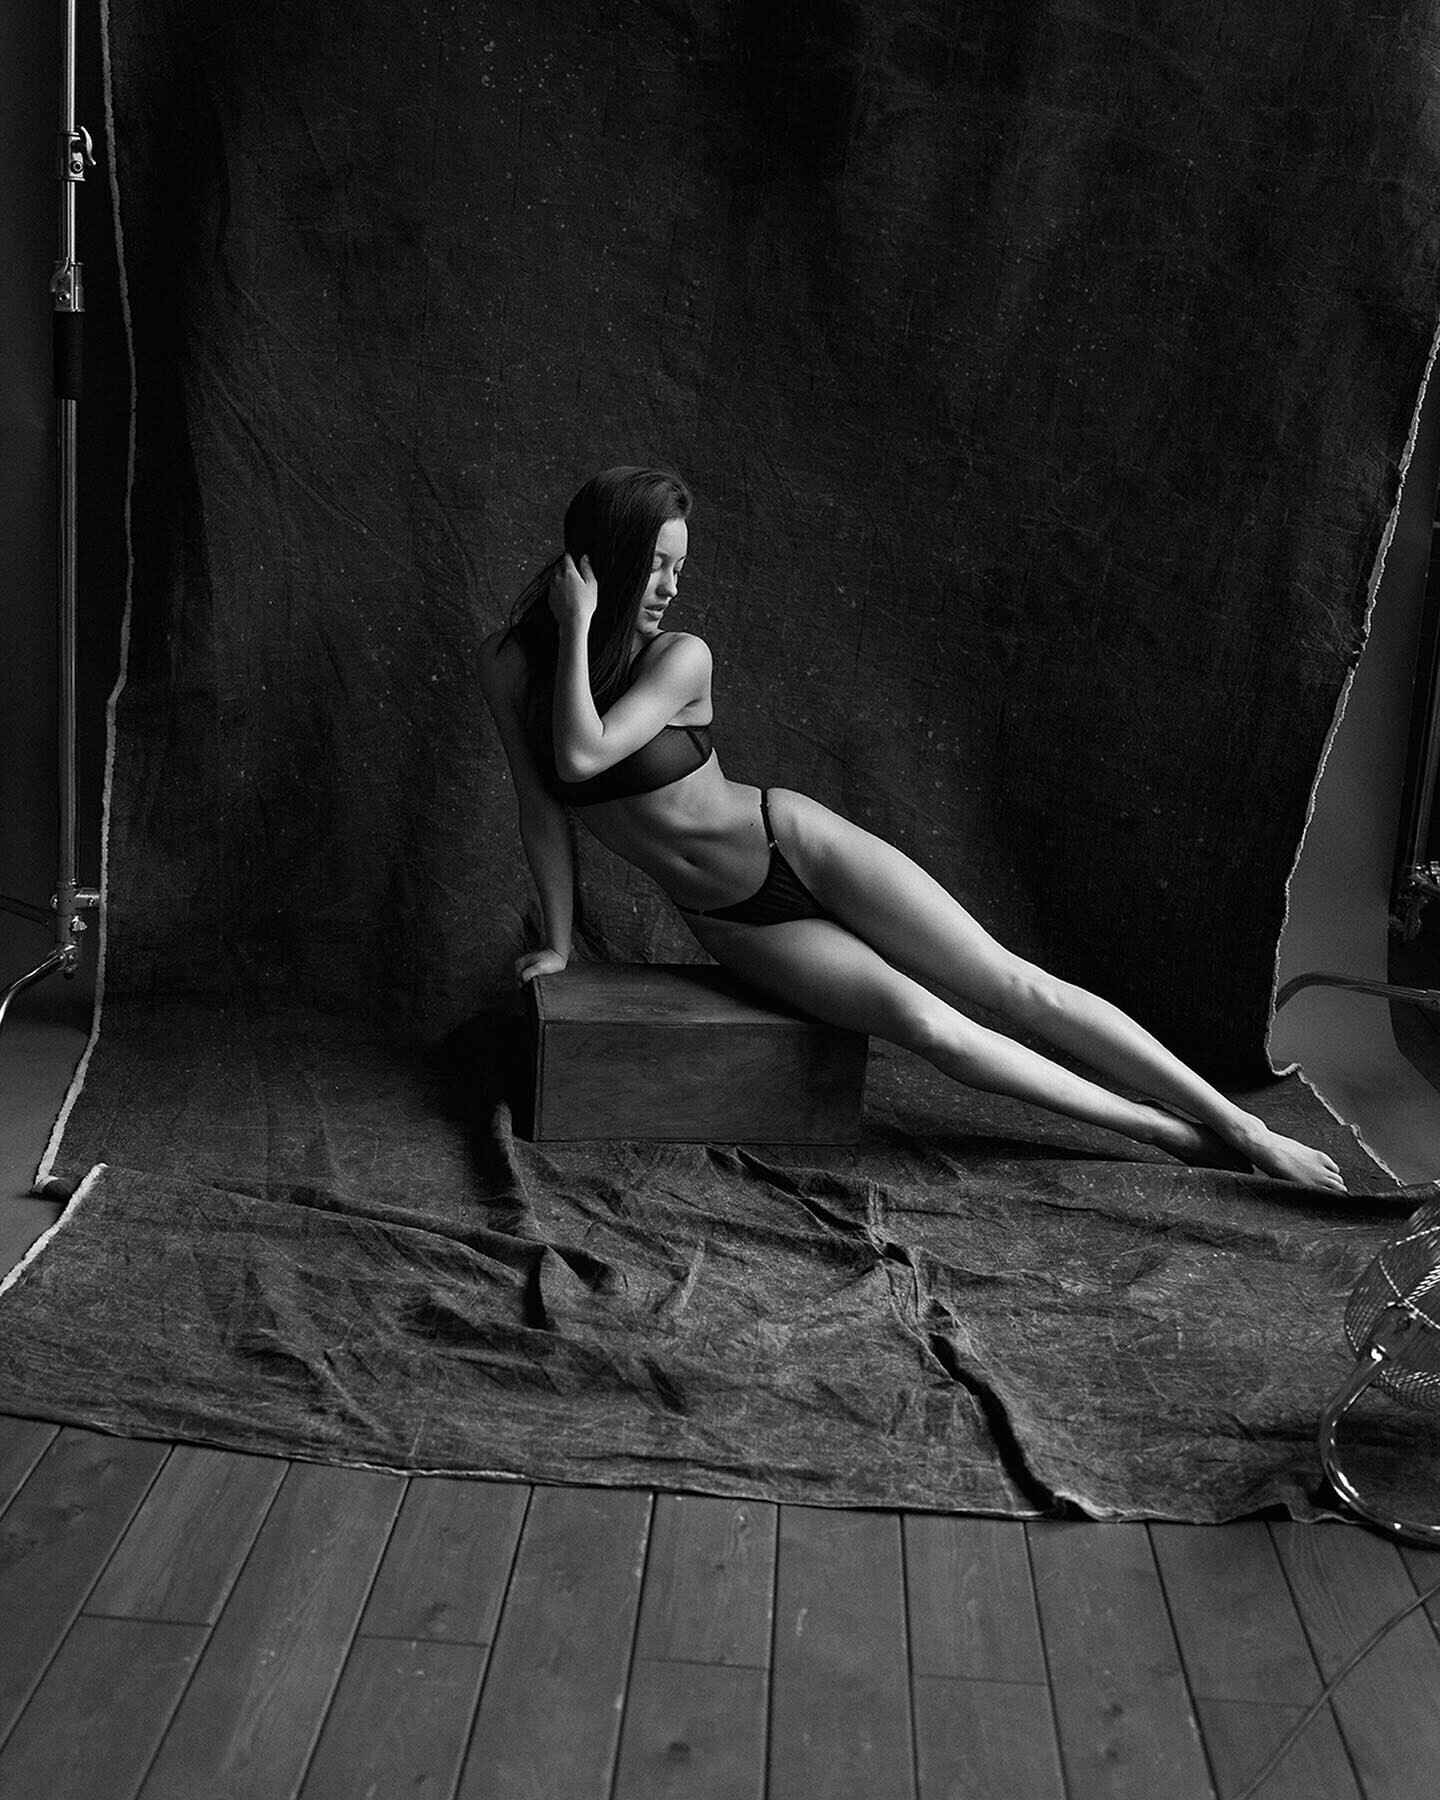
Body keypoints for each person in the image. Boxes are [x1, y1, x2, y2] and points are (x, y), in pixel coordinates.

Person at [479, 465, 1346, 1193]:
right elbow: (543, 800)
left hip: (792, 843)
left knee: (1014, 985)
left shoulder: (680, 656)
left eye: (680, 567)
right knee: (932, 1030)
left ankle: (1241, 1124)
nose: (673, 588)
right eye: (656, 566)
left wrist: (581, 622)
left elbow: (585, 754)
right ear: (605, 559)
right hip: (732, 921)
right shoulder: (510, 665)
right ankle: (1163, 1131)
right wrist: (557, 941)